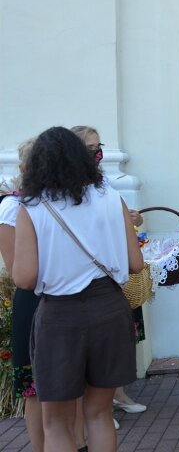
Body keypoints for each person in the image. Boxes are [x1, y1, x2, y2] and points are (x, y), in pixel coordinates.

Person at [12, 126, 144, 452]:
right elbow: (136, 263)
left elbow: (25, 279)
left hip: (60, 315)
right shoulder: (111, 197)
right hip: (109, 308)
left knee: (57, 422)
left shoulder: (31, 207)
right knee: (98, 413)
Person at [71, 125, 147, 425]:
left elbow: (129, 246)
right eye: (90, 148)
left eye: (98, 146)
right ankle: (95, 411)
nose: (97, 153)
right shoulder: (59, 193)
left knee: (108, 354)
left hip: (109, 284)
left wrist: (133, 219)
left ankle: (111, 399)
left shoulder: (106, 188)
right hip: (80, 287)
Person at [0, 138, 44, 452]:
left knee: (72, 385)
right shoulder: (13, 206)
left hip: (65, 299)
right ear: (24, 166)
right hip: (34, 300)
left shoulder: (61, 200)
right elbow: (17, 270)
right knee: (35, 388)